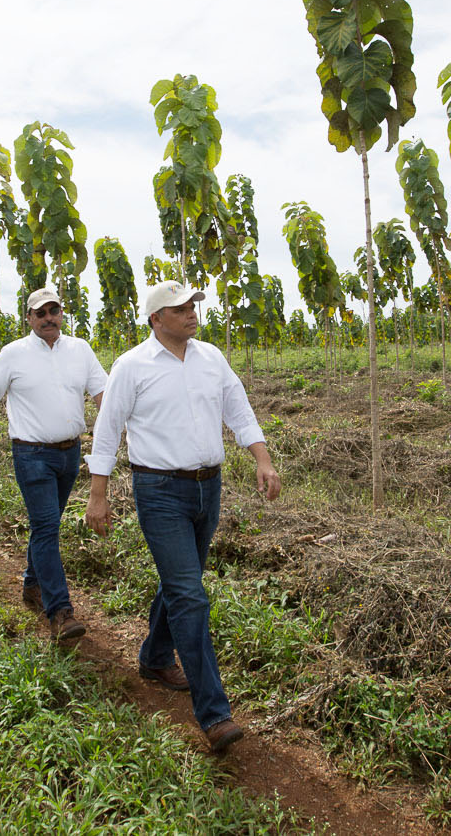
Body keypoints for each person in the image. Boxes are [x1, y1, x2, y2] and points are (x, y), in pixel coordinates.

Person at [84, 281, 280, 754]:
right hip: (159, 490)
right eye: (180, 308)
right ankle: (214, 713)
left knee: (181, 582)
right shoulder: (131, 367)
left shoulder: (211, 357)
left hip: (207, 487)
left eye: (193, 305)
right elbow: (107, 432)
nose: (191, 313)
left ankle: (153, 656)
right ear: (156, 319)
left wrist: (262, 457)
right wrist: (98, 494)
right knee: (190, 596)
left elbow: (239, 409)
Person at [0, 288, 106, 642]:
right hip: (31, 454)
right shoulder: (13, 354)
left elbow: (103, 395)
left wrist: (118, 432)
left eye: (54, 310)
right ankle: (60, 611)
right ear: (29, 318)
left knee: (47, 525)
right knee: (48, 527)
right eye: (41, 312)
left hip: (69, 454)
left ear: (62, 314)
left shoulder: (80, 350)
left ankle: (32, 584)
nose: (49, 317)